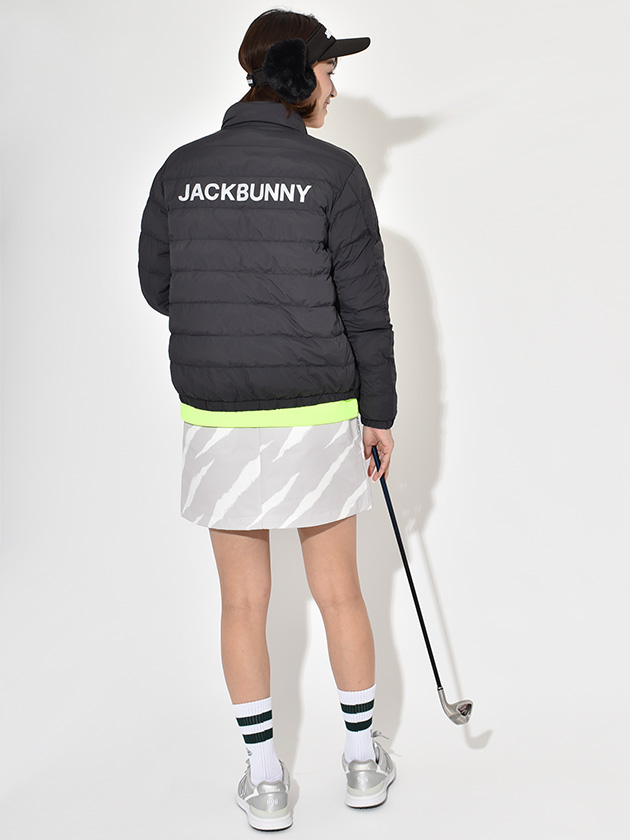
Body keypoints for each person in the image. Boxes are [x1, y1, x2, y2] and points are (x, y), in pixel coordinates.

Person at [138, 8, 397, 831]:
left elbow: (160, 286)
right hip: (317, 410)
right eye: (329, 71)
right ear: (298, 74)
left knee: (241, 603)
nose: (333, 88)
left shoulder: (182, 168)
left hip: (220, 413)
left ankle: (264, 778)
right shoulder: (334, 173)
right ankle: (361, 762)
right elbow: (366, 307)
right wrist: (379, 414)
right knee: (340, 593)